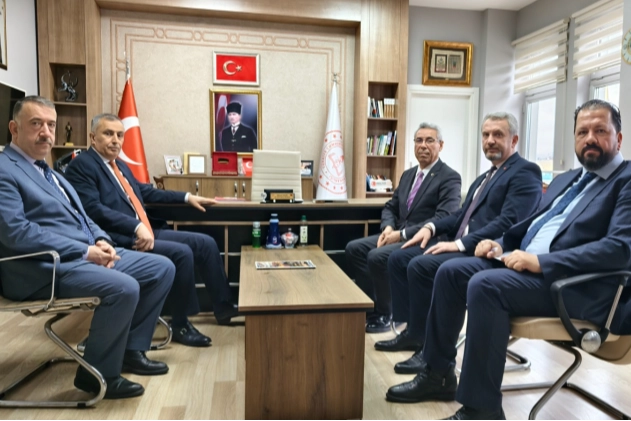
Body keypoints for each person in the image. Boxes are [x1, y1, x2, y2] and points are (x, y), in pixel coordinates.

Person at [385, 99, 631, 420]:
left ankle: (481, 411)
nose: (590, 139)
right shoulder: (568, 179)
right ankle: (438, 374)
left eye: (600, 131)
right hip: (531, 269)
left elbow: (620, 248)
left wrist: (542, 262)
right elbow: (531, 225)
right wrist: (499, 245)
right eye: (582, 132)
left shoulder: (626, 180)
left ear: (618, 138)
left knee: (486, 286)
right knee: (451, 272)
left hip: (577, 286)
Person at [0, 96, 176, 399]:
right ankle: (98, 375)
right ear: (14, 129)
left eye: (51, 125)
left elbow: (82, 216)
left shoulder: (50, 171)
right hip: (43, 266)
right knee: (124, 287)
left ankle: (130, 350)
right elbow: (16, 232)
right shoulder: (6, 169)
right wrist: (83, 251)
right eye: (36, 124)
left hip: (82, 255)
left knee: (161, 267)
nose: (46, 132)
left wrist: (100, 240)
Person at [375, 112, 542, 369]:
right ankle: (415, 333)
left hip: (489, 252)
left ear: (514, 140)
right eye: (486, 135)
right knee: (402, 258)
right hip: (464, 246)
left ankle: (430, 349)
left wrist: (459, 244)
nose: (490, 140)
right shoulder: (485, 177)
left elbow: (508, 222)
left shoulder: (525, 172)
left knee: (421, 265)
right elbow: (460, 215)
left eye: (498, 134)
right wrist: (430, 227)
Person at [65, 113, 238, 348]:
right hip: (121, 239)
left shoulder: (119, 165)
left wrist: (187, 197)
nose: (115, 140)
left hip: (148, 230)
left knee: (205, 243)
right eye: (108, 134)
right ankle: (181, 324)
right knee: (182, 253)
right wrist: (136, 227)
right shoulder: (82, 166)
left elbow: (145, 192)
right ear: (93, 137)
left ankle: (224, 307)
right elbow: (93, 210)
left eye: (120, 135)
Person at [345, 123, 462, 333]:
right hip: (397, 234)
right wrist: (388, 228)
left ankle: (388, 313)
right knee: (355, 248)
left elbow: (444, 217)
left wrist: (402, 234)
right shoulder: (408, 175)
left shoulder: (449, 177)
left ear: (441, 145)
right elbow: (391, 206)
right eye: (419, 140)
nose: (423, 145)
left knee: (377, 256)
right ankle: (371, 307)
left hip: (427, 240)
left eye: (430, 140)